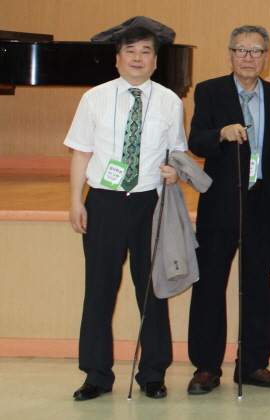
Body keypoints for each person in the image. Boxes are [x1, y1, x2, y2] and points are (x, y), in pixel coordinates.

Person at [65, 27, 187, 401]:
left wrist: (173, 171)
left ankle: (153, 373)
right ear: (117, 59)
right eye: (130, 51)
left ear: (155, 60)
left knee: (152, 290)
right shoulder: (94, 98)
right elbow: (81, 152)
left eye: (145, 51)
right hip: (105, 201)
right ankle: (96, 375)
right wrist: (75, 199)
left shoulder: (170, 101)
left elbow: (177, 154)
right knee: (99, 290)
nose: (137, 57)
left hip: (150, 203)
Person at [185, 26, 270, 394]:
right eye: (241, 50)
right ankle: (206, 367)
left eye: (256, 51)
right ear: (230, 54)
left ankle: (253, 364)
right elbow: (195, 141)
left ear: (267, 56)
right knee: (210, 283)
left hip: (263, 201)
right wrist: (220, 134)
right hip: (221, 203)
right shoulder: (211, 91)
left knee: (258, 285)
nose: (248, 57)